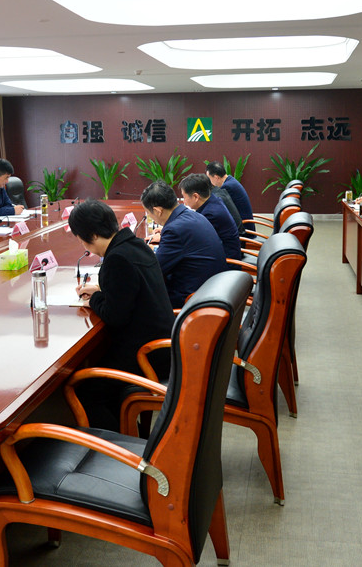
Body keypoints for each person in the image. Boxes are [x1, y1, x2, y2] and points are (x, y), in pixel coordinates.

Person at [71, 200, 175, 429]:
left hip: (146, 355)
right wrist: (102, 291)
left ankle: (118, 445)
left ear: (92, 235)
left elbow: (115, 316)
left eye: (80, 238)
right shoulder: (134, 244)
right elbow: (128, 292)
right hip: (163, 344)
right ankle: (126, 430)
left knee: (85, 391)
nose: (82, 244)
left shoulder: (116, 259)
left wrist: (95, 299)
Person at [141, 180, 227, 307]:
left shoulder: (174, 230)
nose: (149, 216)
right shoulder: (193, 215)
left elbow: (155, 269)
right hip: (212, 287)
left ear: (158, 210)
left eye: (148, 213)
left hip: (193, 299)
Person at [179, 173, 241, 263]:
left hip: (226, 262)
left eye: (184, 197)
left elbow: (193, 240)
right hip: (222, 254)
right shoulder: (213, 200)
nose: (184, 201)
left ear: (196, 197)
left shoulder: (210, 214)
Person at [205, 161, 253, 226]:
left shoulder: (227, 187)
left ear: (216, 177)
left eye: (209, 178)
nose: (210, 182)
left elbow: (221, 210)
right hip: (243, 222)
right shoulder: (230, 180)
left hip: (243, 226)